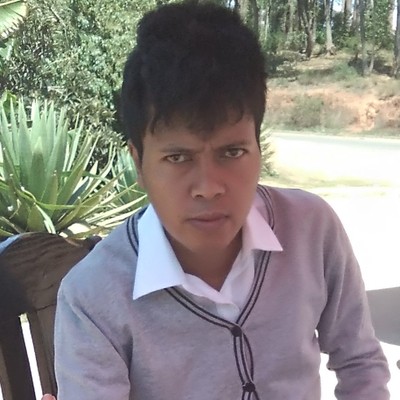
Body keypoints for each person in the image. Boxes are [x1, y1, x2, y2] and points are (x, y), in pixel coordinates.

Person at [42, 1, 390, 399]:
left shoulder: (312, 230)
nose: (208, 187)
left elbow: (360, 363)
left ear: (259, 148)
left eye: (232, 152)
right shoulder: (94, 296)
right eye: (178, 157)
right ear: (139, 163)